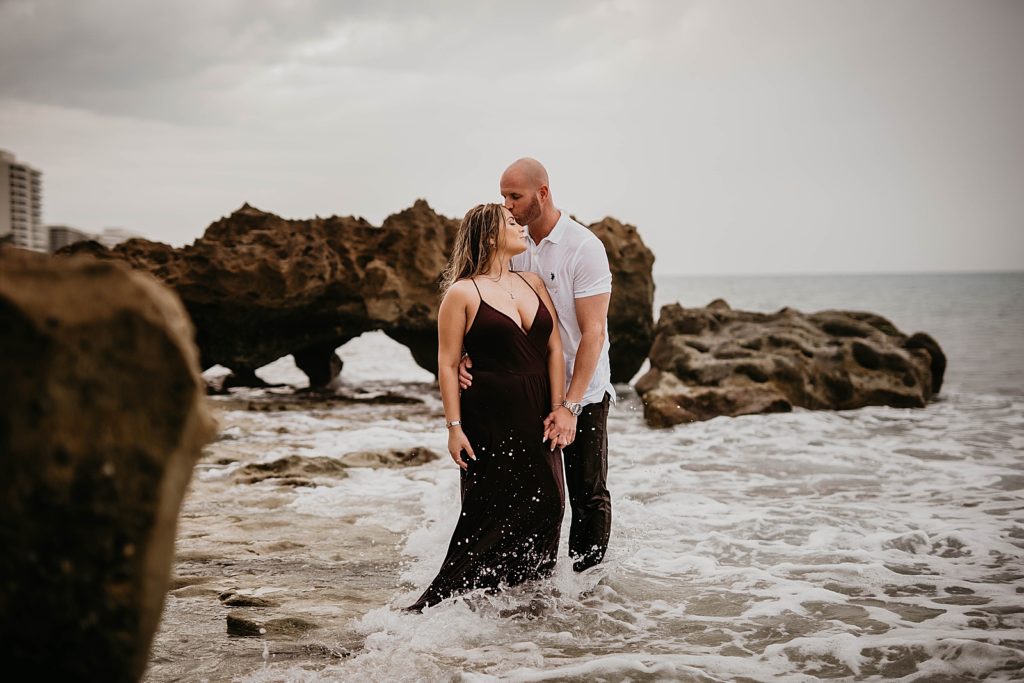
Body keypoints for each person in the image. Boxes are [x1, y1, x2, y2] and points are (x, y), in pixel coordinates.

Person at [408, 203, 572, 612]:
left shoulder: (532, 281)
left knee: (550, 501)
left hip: (538, 411)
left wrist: (558, 407)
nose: (520, 226)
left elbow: (553, 348)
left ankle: (531, 596)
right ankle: (466, 599)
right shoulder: (463, 292)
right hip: (488, 415)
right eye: (511, 223)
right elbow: (447, 363)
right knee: (488, 508)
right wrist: (453, 427)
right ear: (489, 235)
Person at [460, 158, 614, 573]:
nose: (506, 206)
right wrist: (465, 354)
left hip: (583, 390)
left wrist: (570, 405)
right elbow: (486, 301)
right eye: (503, 197)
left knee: (587, 493)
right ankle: (521, 582)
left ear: (542, 193)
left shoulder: (584, 247)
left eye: (515, 196)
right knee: (530, 492)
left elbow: (593, 334)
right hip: (528, 387)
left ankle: (586, 589)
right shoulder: (513, 243)